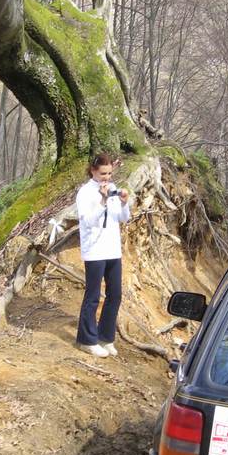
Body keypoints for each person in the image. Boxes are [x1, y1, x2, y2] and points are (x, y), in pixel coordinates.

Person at [75, 153, 130, 357]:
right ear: (93, 171)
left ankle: (105, 337)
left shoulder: (112, 188)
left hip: (113, 249)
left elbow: (124, 218)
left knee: (115, 294)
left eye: (109, 173)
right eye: (102, 174)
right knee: (93, 295)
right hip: (94, 250)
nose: (106, 178)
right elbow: (88, 221)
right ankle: (86, 340)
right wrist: (103, 201)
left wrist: (124, 202)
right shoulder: (85, 192)